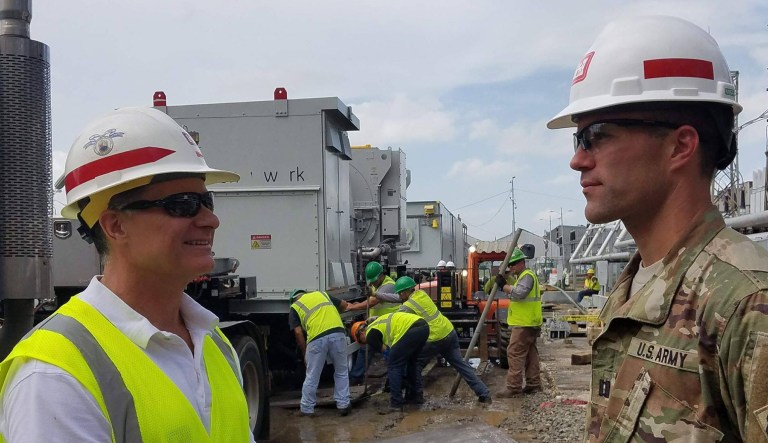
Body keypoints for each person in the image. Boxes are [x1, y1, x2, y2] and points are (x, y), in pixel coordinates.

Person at [548, 15, 768, 442]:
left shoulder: (746, 305)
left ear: (681, 145)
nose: (578, 159)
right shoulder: (629, 292)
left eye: (595, 135)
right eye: (577, 140)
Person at [0, 107, 253, 441]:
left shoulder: (215, 344)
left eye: (208, 202)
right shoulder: (56, 374)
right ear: (115, 225)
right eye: (184, 204)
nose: (210, 220)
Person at [394, 276, 492, 404]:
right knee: (461, 365)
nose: (400, 296)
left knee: (415, 363)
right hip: (449, 332)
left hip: (435, 337)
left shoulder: (408, 305)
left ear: (405, 292)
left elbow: (396, 317)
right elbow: (400, 301)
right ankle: (483, 393)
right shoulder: (422, 294)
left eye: (400, 294)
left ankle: (415, 397)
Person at [288, 289, 351, 417]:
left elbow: (298, 332)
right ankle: (343, 404)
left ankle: (307, 408)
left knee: (312, 374)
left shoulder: (294, 307)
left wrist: (305, 351)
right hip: (338, 333)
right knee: (341, 371)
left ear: (293, 299)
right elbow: (344, 305)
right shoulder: (321, 294)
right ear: (305, 293)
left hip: (316, 338)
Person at [351, 312, 429, 413]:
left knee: (394, 366)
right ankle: (415, 397)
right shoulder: (378, 324)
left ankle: (396, 403)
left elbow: (388, 353)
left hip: (410, 329)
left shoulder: (370, 335)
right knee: (411, 363)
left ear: (361, 333)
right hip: (423, 327)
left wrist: (393, 378)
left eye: (361, 341)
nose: (364, 343)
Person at [494, 248, 542, 398]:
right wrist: (506, 280)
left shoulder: (527, 276)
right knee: (530, 354)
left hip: (524, 323)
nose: (512, 267)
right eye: (510, 264)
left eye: (514, 264)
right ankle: (534, 384)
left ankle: (514, 387)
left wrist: (504, 286)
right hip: (529, 322)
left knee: (514, 352)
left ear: (522, 262)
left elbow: (520, 293)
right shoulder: (523, 276)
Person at [346, 261, 401, 384]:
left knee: (387, 353)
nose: (372, 283)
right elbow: (369, 301)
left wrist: (352, 307)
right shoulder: (375, 285)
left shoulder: (389, 285)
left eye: (374, 280)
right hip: (378, 326)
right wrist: (358, 304)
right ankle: (356, 377)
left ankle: (393, 380)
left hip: (389, 327)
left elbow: (372, 302)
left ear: (382, 275)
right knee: (367, 349)